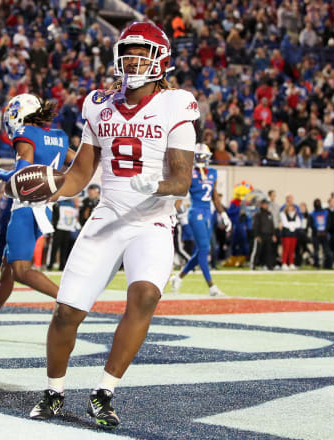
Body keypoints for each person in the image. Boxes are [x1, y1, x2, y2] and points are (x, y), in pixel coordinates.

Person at [28, 22, 200, 428]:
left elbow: (182, 179)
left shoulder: (177, 103)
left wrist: (154, 185)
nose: (134, 60)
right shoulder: (98, 103)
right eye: (129, 52)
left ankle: (104, 392)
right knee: (66, 313)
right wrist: (47, 189)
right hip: (107, 217)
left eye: (143, 53)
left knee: (144, 296)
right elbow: (78, 175)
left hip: (152, 221)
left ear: (161, 60)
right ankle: (53, 391)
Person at [0, 93, 74, 341]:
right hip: (46, 206)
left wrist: (3, 175)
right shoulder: (60, 137)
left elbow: (23, 173)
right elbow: (76, 162)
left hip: (26, 207)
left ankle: (72, 300)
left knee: (20, 270)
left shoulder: (26, 134)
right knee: (7, 273)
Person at [169, 143, 230, 295]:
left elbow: (215, 197)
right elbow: (181, 194)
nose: (202, 159)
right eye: (199, 156)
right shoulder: (189, 173)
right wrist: (173, 212)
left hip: (208, 213)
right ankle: (211, 286)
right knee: (203, 249)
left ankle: (178, 277)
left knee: (203, 250)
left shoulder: (213, 173)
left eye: (204, 156)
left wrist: (223, 214)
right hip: (195, 212)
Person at [48, 199, 79, 270]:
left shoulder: (71, 205)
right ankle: (54, 264)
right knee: (57, 247)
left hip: (64, 228)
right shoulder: (60, 204)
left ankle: (59, 265)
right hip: (61, 228)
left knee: (61, 248)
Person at [251, 198, 277, 270]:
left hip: (268, 235)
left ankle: (269, 265)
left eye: (266, 204)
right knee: (258, 251)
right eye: (264, 204)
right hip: (261, 235)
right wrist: (257, 235)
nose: (266, 206)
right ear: (261, 205)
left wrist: (273, 234)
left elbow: (272, 225)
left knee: (268, 251)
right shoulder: (258, 215)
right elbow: (255, 225)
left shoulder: (269, 214)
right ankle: (254, 264)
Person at [280, 197, 301, 270]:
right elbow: (285, 223)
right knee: (286, 249)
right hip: (286, 234)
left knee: (292, 250)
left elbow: (298, 224)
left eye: (292, 207)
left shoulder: (296, 214)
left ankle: (291, 263)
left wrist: (291, 225)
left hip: (293, 234)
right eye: (289, 207)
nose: (290, 208)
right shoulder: (283, 214)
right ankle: (284, 263)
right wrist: (293, 225)